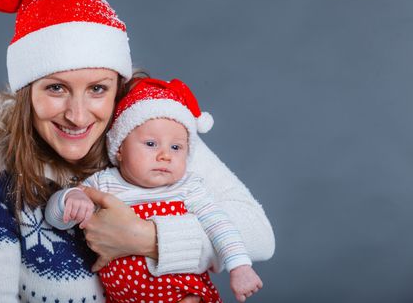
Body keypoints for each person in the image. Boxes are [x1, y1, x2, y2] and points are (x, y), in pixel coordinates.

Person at [0, 0, 275, 303]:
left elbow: (259, 236)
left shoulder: (151, 133)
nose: (77, 116)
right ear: (26, 93)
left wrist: (145, 238)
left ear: (118, 88)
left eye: (97, 89)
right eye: (56, 88)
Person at [45, 77, 263, 302]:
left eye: (176, 147)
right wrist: (71, 198)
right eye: (150, 144)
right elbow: (55, 218)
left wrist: (240, 267)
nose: (165, 155)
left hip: (183, 295)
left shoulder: (188, 188)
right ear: (119, 149)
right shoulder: (104, 183)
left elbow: (221, 226)